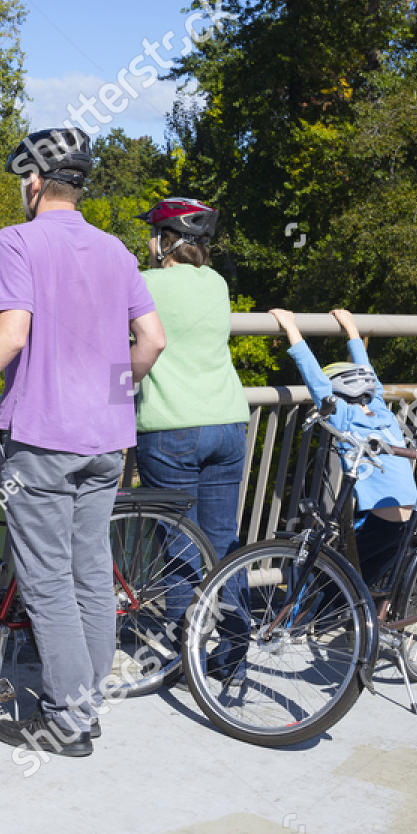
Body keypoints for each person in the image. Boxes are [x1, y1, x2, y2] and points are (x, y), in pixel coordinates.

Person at [0, 127, 166, 757]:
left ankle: (67, 721)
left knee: (48, 582)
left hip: (44, 437)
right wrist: (106, 395)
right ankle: (87, 705)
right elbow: (152, 341)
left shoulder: (15, 240)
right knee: (91, 576)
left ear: (34, 181)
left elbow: (12, 334)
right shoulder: (116, 251)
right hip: (107, 441)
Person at [132, 198, 251, 677]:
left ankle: (188, 661)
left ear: (165, 241)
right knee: (223, 543)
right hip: (228, 422)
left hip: (171, 426)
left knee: (181, 544)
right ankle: (234, 655)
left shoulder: (143, 283)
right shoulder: (218, 283)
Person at [270, 307, 417, 596]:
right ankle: (363, 625)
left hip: (382, 523)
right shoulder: (382, 412)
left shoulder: (345, 419)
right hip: (407, 521)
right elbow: (368, 373)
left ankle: (299, 624)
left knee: (331, 577)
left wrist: (291, 328)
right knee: (361, 582)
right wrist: (352, 330)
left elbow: (315, 380)